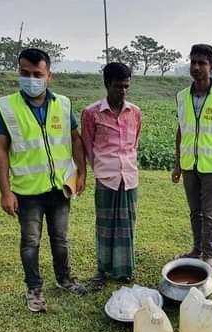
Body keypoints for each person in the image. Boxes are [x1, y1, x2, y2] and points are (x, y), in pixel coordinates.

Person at [0, 48, 87, 313]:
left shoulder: (63, 104)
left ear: (49, 76)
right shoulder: (6, 107)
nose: (31, 79)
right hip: (27, 191)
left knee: (60, 239)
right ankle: (34, 289)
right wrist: (5, 192)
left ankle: (64, 279)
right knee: (30, 242)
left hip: (59, 188)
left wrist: (82, 173)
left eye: (37, 74)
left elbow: (76, 140)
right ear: (19, 72)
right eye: (25, 73)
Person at [171, 44, 212, 269]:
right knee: (194, 211)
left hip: (211, 166)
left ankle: (208, 254)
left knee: (208, 213)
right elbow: (181, 131)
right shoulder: (181, 97)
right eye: (193, 62)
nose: (196, 67)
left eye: (202, 63)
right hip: (189, 164)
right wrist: (177, 164)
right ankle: (196, 249)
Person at [81, 63, 142, 290]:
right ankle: (103, 270)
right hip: (106, 178)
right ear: (107, 85)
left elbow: (134, 142)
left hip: (129, 177)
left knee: (127, 226)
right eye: (118, 86)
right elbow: (88, 147)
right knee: (105, 227)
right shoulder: (91, 113)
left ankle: (124, 271)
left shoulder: (135, 112)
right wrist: (99, 169)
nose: (123, 91)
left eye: (126, 86)